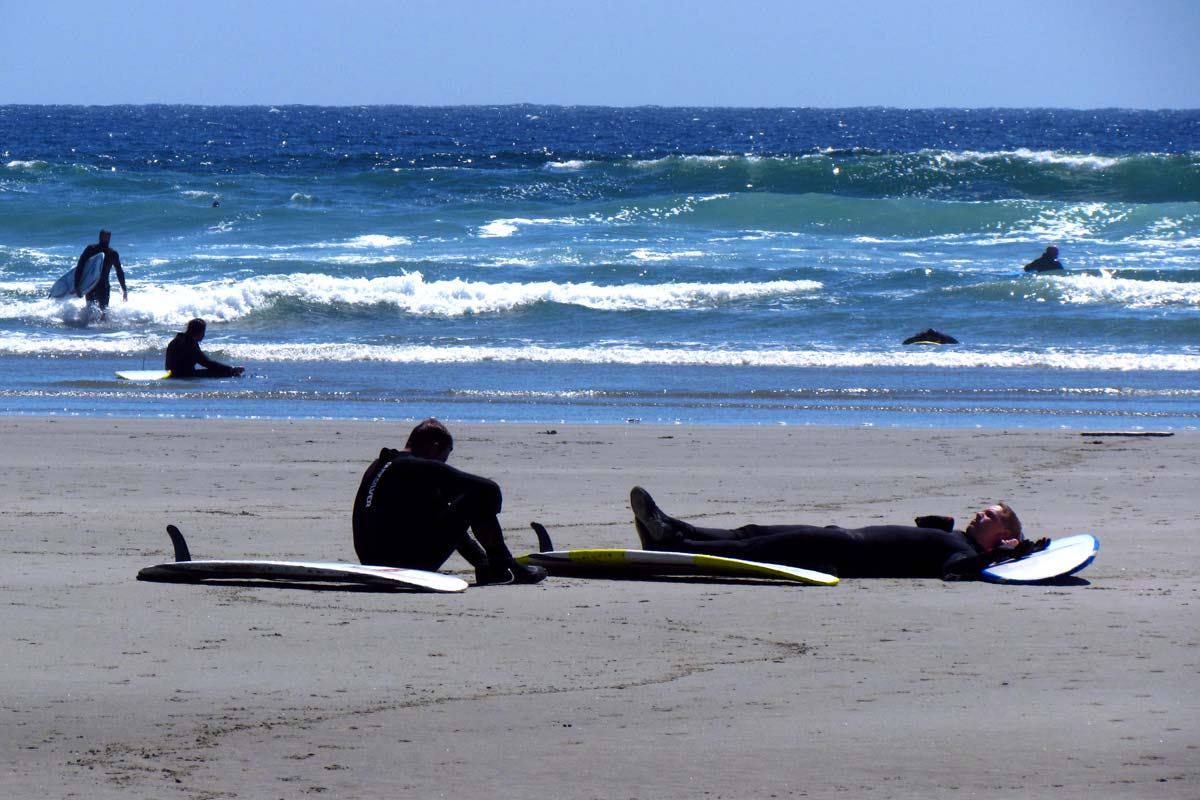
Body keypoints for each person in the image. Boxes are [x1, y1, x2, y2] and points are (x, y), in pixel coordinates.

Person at [629, 486, 1047, 580]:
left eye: (989, 515)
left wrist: (1002, 556)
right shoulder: (956, 537)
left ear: (1003, 532)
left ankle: (672, 543)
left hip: (844, 550)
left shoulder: (961, 554)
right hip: (838, 536)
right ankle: (670, 527)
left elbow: (957, 573)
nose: (979, 514)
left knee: (753, 547)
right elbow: (923, 526)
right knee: (751, 531)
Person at [352, 419, 548, 586]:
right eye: (443, 458)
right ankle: (504, 564)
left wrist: (480, 560)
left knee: (440, 503)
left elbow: (446, 519)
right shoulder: (418, 467)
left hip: (372, 561)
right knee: (478, 495)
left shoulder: (381, 465)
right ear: (435, 447)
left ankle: (487, 565)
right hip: (404, 565)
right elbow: (490, 489)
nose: (442, 464)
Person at [164, 318, 245, 378]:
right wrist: (231, 369)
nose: (204, 335)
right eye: (203, 332)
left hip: (172, 374)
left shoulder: (181, 339)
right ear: (199, 332)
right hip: (181, 375)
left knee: (223, 371)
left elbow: (205, 362)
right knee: (226, 373)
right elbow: (206, 363)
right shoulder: (188, 344)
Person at [75, 229, 128, 319]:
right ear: (100, 237)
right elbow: (80, 267)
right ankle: (88, 330)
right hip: (91, 285)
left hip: (104, 286)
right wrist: (77, 285)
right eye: (104, 237)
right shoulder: (91, 250)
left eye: (108, 237)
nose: (106, 239)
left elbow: (119, 272)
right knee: (90, 312)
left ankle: (101, 331)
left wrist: (124, 289)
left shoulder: (112, 254)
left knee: (103, 313)